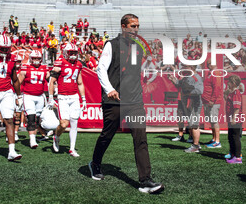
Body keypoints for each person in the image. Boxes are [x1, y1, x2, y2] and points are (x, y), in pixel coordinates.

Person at [89, 14, 164, 194]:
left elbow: (131, 72)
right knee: (107, 135)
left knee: (141, 139)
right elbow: (101, 69)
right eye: (132, 26)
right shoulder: (111, 44)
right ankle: (95, 163)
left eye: (137, 26)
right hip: (114, 100)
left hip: (135, 101)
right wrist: (109, 89)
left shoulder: (137, 48)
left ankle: (145, 180)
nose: (135, 29)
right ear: (123, 27)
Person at [48, 43, 86, 157]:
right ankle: (57, 136)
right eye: (71, 53)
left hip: (74, 96)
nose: (73, 55)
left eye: (75, 53)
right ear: (65, 53)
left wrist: (83, 99)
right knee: (64, 124)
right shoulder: (60, 62)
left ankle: (72, 148)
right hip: (63, 97)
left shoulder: (79, 64)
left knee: (74, 123)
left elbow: (79, 82)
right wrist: (50, 97)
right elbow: (52, 81)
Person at [18, 50, 49, 148]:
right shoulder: (25, 68)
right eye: (34, 58)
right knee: (31, 118)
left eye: (38, 58)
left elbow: (50, 79)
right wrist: (17, 96)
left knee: (37, 119)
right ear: (31, 59)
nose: (36, 60)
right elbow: (18, 82)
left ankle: (34, 137)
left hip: (40, 96)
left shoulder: (44, 68)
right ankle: (32, 141)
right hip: (28, 96)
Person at [202, 59, 223, 148]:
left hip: (212, 102)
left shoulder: (215, 73)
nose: (207, 66)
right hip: (208, 101)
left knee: (214, 121)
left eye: (208, 64)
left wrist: (212, 100)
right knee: (212, 121)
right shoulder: (212, 73)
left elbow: (217, 88)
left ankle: (217, 141)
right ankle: (214, 139)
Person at [224, 75, 243, 164]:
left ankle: (238, 157)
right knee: (230, 137)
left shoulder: (236, 93)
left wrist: (234, 118)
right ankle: (232, 154)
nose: (227, 83)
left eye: (229, 82)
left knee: (235, 137)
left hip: (235, 119)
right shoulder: (231, 92)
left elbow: (237, 107)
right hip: (231, 119)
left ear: (233, 83)